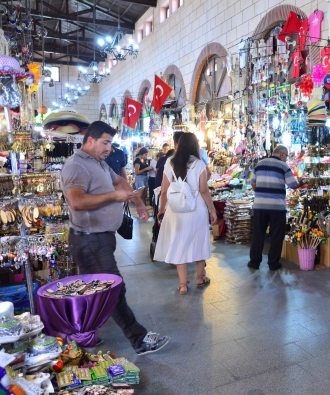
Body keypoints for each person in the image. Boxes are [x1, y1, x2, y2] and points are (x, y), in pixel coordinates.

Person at [61, 121, 169, 355]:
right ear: (90, 140)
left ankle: (79, 335)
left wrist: (138, 200)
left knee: (93, 291)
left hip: (100, 238)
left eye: (110, 142)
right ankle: (138, 339)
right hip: (90, 240)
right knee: (113, 289)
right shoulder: (76, 166)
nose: (109, 148)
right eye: (105, 142)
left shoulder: (97, 162)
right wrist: (114, 197)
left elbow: (118, 180)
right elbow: (76, 201)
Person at [154, 133, 217, 294]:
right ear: (195, 146)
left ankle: (183, 285)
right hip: (196, 209)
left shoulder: (169, 162)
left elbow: (164, 190)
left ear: (179, 145)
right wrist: (212, 209)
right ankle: (200, 277)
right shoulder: (199, 164)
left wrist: (161, 209)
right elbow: (204, 190)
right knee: (199, 241)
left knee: (179, 243)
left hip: (175, 210)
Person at [248, 145, 300, 271]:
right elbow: (293, 185)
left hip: (260, 206)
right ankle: (273, 263)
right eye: (286, 156)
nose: (286, 159)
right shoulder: (284, 166)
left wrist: (261, 193)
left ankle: (254, 262)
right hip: (277, 208)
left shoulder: (259, 164)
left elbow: (253, 183)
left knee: (258, 235)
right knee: (276, 235)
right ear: (282, 154)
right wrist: (301, 183)